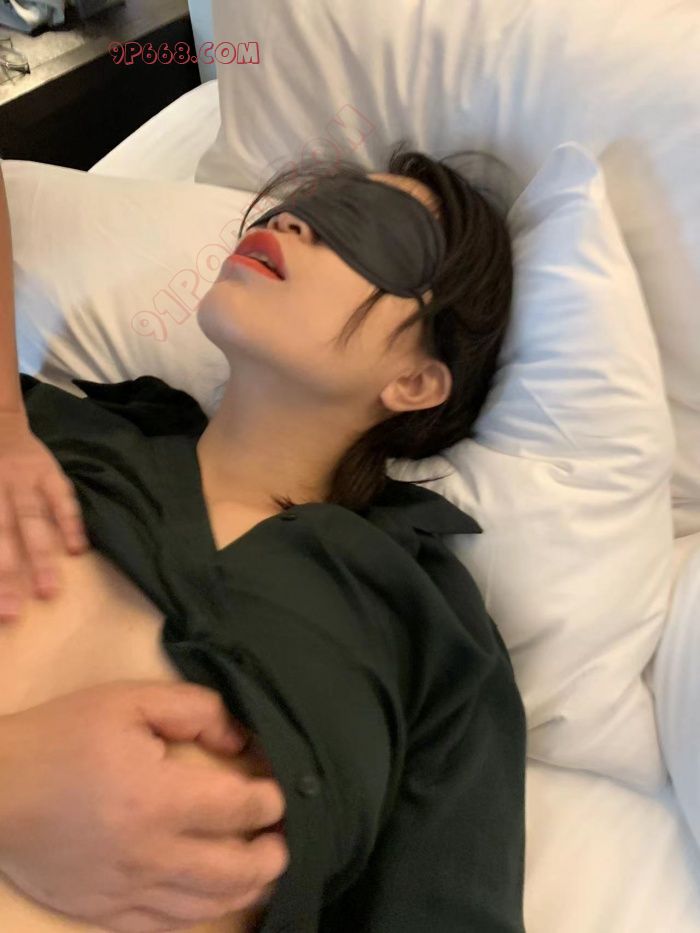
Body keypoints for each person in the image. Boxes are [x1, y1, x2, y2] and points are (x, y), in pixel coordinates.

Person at [0, 142, 527, 933]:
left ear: (416, 381)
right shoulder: (46, 440)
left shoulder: (426, 627)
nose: (292, 221)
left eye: (371, 228)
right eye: (306, 204)